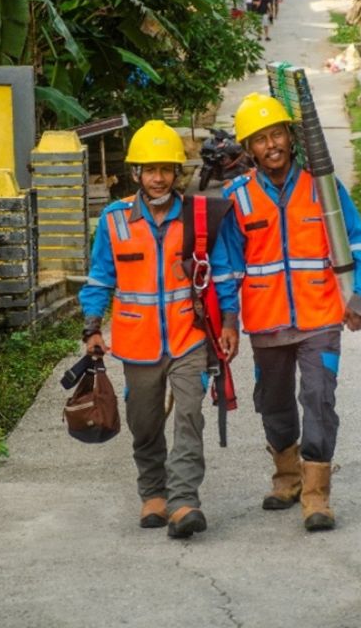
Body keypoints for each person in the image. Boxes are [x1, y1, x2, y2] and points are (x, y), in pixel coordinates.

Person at [220, 94, 361, 531]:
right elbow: (227, 266)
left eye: (276, 134)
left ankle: (316, 495)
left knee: (318, 399)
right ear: (248, 149)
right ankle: (287, 478)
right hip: (266, 321)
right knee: (272, 403)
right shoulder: (237, 198)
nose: (271, 145)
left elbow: (357, 240)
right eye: (260, 140)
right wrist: (228, 320)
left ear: (291, 138)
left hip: (320, 317)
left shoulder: (323, 187)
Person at [79, 120, 240, 539]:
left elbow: (220, 274)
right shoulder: (114, 221)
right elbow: (100, 278)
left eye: (165, 168)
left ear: (176, 172)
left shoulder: (196, 218)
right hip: (137, 342)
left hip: (189, 337)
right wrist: (92, 328)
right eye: (150, 169)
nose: (158, 177)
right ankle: (153, 491)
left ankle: (184, 500)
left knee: (189, 415)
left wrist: (228, 321)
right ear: (136, 173)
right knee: (144, 422)